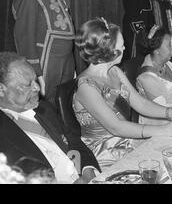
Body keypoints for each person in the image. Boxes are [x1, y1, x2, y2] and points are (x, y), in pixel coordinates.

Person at [73, 18, 172, 169]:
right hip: (105, 154)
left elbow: (140, 103)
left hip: (127, 142)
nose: (125, 49)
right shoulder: (85, 86)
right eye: (121, 45)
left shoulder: (114, 71)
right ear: (107, 49)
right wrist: (164, 130)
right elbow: (116, 127)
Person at [0, 52, 100, 183]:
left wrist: (88, 171)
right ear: (1, 89)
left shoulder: (44, 109)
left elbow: (73, 140)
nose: (37, 87)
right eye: (27, 84)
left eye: (35, 80)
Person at [12, 0, 75, 105]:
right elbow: (24, 34)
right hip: (46, 58)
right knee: (45, 105)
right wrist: (35, 71)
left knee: (63, 101)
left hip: (65, 58)